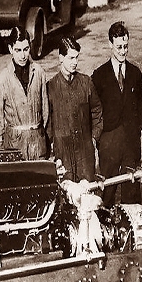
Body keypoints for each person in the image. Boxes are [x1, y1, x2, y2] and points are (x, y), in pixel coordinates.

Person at [91, 21, 142, 205]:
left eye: (126, 46)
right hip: (109, 143)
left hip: (131, 141)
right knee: (107, 190)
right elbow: (94, 110)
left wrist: (134, 130)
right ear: (110, 45)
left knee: (131, 189)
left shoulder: (135, 73)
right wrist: (102, 139)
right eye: (119, 47)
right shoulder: (99, 76)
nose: (123, 51)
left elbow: (141, 106)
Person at [46, 36, 103, 182]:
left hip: (85, 152)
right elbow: (47, 121)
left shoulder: (86, 83)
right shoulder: (51, 87)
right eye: (71, 58)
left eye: (76, 57)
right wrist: (53, 145)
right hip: (63, 153)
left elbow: (97, 111)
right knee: (67, 194)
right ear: (61, 58)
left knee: (87, 194)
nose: (75, 62)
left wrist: (94, 138)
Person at [0, 26, 49, 160]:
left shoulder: (39, 73)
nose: (23, 55)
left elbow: (45, 111)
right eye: (18, 50)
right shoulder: (1, 80)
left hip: (38, 145)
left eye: (26, 49)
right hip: (14, 146)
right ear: (10, 49)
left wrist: (39, 134)